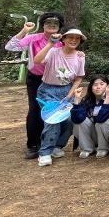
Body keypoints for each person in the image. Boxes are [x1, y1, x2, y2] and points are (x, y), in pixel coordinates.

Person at [5, 12, 64, 159]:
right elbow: (11, 47)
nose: (51, 26)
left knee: (54, 111)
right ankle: (33, 145)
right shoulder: (33, 38)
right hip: (36, 79)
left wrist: (80, 54)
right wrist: (24, 30)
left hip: (55, 80)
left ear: (59, 27)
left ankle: (51, 143)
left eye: (55, 24)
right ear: (43, 25)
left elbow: (72, 53)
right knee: (35, 111)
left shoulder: (62, 41)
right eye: (48, 24)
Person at [33, 28, 86, 167]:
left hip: (67, 91)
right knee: (52, 119)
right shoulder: (53, 52)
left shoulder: (80, 56)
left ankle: (57, 146)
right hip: (47, 90)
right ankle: (44, 152)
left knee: (69, 120)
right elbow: (37, 60)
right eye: (70, 37)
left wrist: (70, 95)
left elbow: (79, 77)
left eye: (77, 38)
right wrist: (50, 43)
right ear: (64, 39)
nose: (74, 40)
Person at [71, 74, 109, 159]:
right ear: (91, 87)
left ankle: (103, 148)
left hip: (107, 135)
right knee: (80, 121)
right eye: (95, 85)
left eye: (102, 84)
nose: (98, 87)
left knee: (102, 122)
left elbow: (101, 118)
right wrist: (77, 100)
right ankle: (87, 148)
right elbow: (76, 119)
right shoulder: (87, 100)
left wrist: (107, 98)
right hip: (92, 134)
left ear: (107, 86)